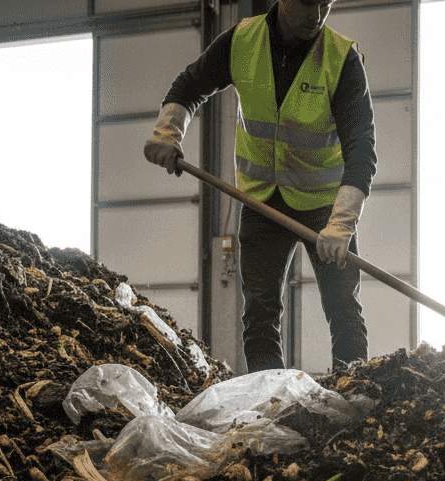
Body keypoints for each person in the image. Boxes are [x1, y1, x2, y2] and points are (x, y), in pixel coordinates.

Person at [143, 0, 376, 373]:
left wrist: (341, 224)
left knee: (343, 307)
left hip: (324, 207)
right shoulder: (242, 42)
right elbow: (189, 86)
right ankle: (272, 404)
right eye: (306, 3)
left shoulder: (342, 60)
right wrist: (167, 132)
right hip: (262, 200)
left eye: (325, 4)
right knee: (260, 315)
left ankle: (355, 396)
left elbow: (362, 149)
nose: (316, 15)